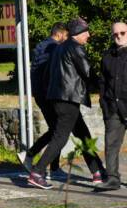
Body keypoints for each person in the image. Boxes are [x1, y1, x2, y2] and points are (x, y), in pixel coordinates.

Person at [28, 18, 105, 189]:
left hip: (58, 98)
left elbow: (49, 73)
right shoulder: (76, 48)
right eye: (86, 32)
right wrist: (104, 87)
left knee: (83, 135)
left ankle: (97, 171)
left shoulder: (60, 48)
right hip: (68, 99)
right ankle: (37, 172)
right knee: (60, 137)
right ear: (77, 34)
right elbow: (87, 72)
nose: (89, 35)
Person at [21, 22, 69, 179]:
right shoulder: (54, 48)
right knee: (58, 131)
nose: (66, 39)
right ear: (60, 34)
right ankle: (33, 156)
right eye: (66, 36)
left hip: (39, 93)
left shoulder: (41, 46)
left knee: (55, 129)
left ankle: (49, 165)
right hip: (48, 94)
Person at [96, 22, 127, 191]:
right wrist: (104, 103)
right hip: (113, 107)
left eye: (122, 33)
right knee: (111, 144)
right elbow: (103, 82)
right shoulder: (107, 56)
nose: (119, 37)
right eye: (115, 34)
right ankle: (113, 178)